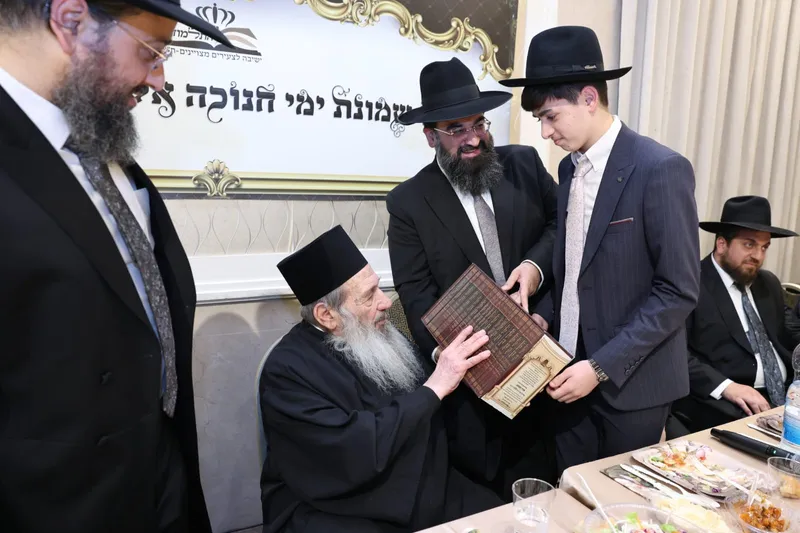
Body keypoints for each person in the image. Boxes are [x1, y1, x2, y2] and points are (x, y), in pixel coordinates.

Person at [0, 1, 231, 531]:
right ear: (70, 21)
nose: (159, 81)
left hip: (159, 472)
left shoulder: (107, 151)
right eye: (151, 53)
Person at [499, 26, 701, 469]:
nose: (545, 132)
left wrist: (600, 367)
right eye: (539, 120)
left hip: (633, 385)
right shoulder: (569, 170)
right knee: (571, 493)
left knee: (621, 500)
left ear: (589, 98)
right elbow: (576, 269)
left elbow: (678, 291)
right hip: (567, 375)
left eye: (551, 116)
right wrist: (543, 314)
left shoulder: (659, 168)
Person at [386, 57, 559, 495]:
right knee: (488, 501)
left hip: (549, 367)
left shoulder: (524, 165)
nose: (474, 138)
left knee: (549, 495)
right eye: (456, 129)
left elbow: (565, 230)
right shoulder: (409, 203)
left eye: (479, 123)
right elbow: (417, 296)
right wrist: (463, 357)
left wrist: (535, 274)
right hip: (477, 391)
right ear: (430, 136)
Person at [259, 225, 502, 533]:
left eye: (378, 288)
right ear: (326, 315)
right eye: (369, 296)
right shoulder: (286, 371)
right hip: (339, 505)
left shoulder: (378, 335)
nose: (386, 301)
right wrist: (434, 387)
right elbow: (348, 449)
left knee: (502, 516)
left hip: (416, 478)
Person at [671, 196, 798, 432]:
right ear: (721, 244)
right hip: (725, 403)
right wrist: (727, 386)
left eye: (764, 247)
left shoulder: (767, 283)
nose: (758, 256)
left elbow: (789, 332)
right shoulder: (691, 284)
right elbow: (674, 353)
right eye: (749, 245)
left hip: (787, 399)